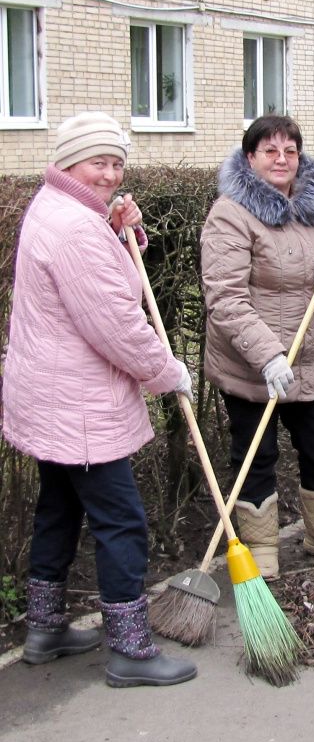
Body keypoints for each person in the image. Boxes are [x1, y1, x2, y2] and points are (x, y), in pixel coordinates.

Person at [3, 112, 197, 687]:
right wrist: (168, 372)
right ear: (68, 162)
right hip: (79, 406)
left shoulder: (56, 207)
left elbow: (93, 282)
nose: (110, 174)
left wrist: (118, 230)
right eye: (99, 162)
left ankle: (44, 631)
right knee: (121, 522)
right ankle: (131, 652)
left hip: (48, 397)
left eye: (117, 163)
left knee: (59, 508)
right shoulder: (74, 228)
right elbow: (116, 324)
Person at [201, 114, 314, 580]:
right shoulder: (229, 214)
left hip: (311, 361)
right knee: (256, 454)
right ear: (250, 158)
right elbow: (224, 298)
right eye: (270, 150)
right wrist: (268, 356)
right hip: (253, 366)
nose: (281, 159)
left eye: (290, 150)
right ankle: (262, 546)